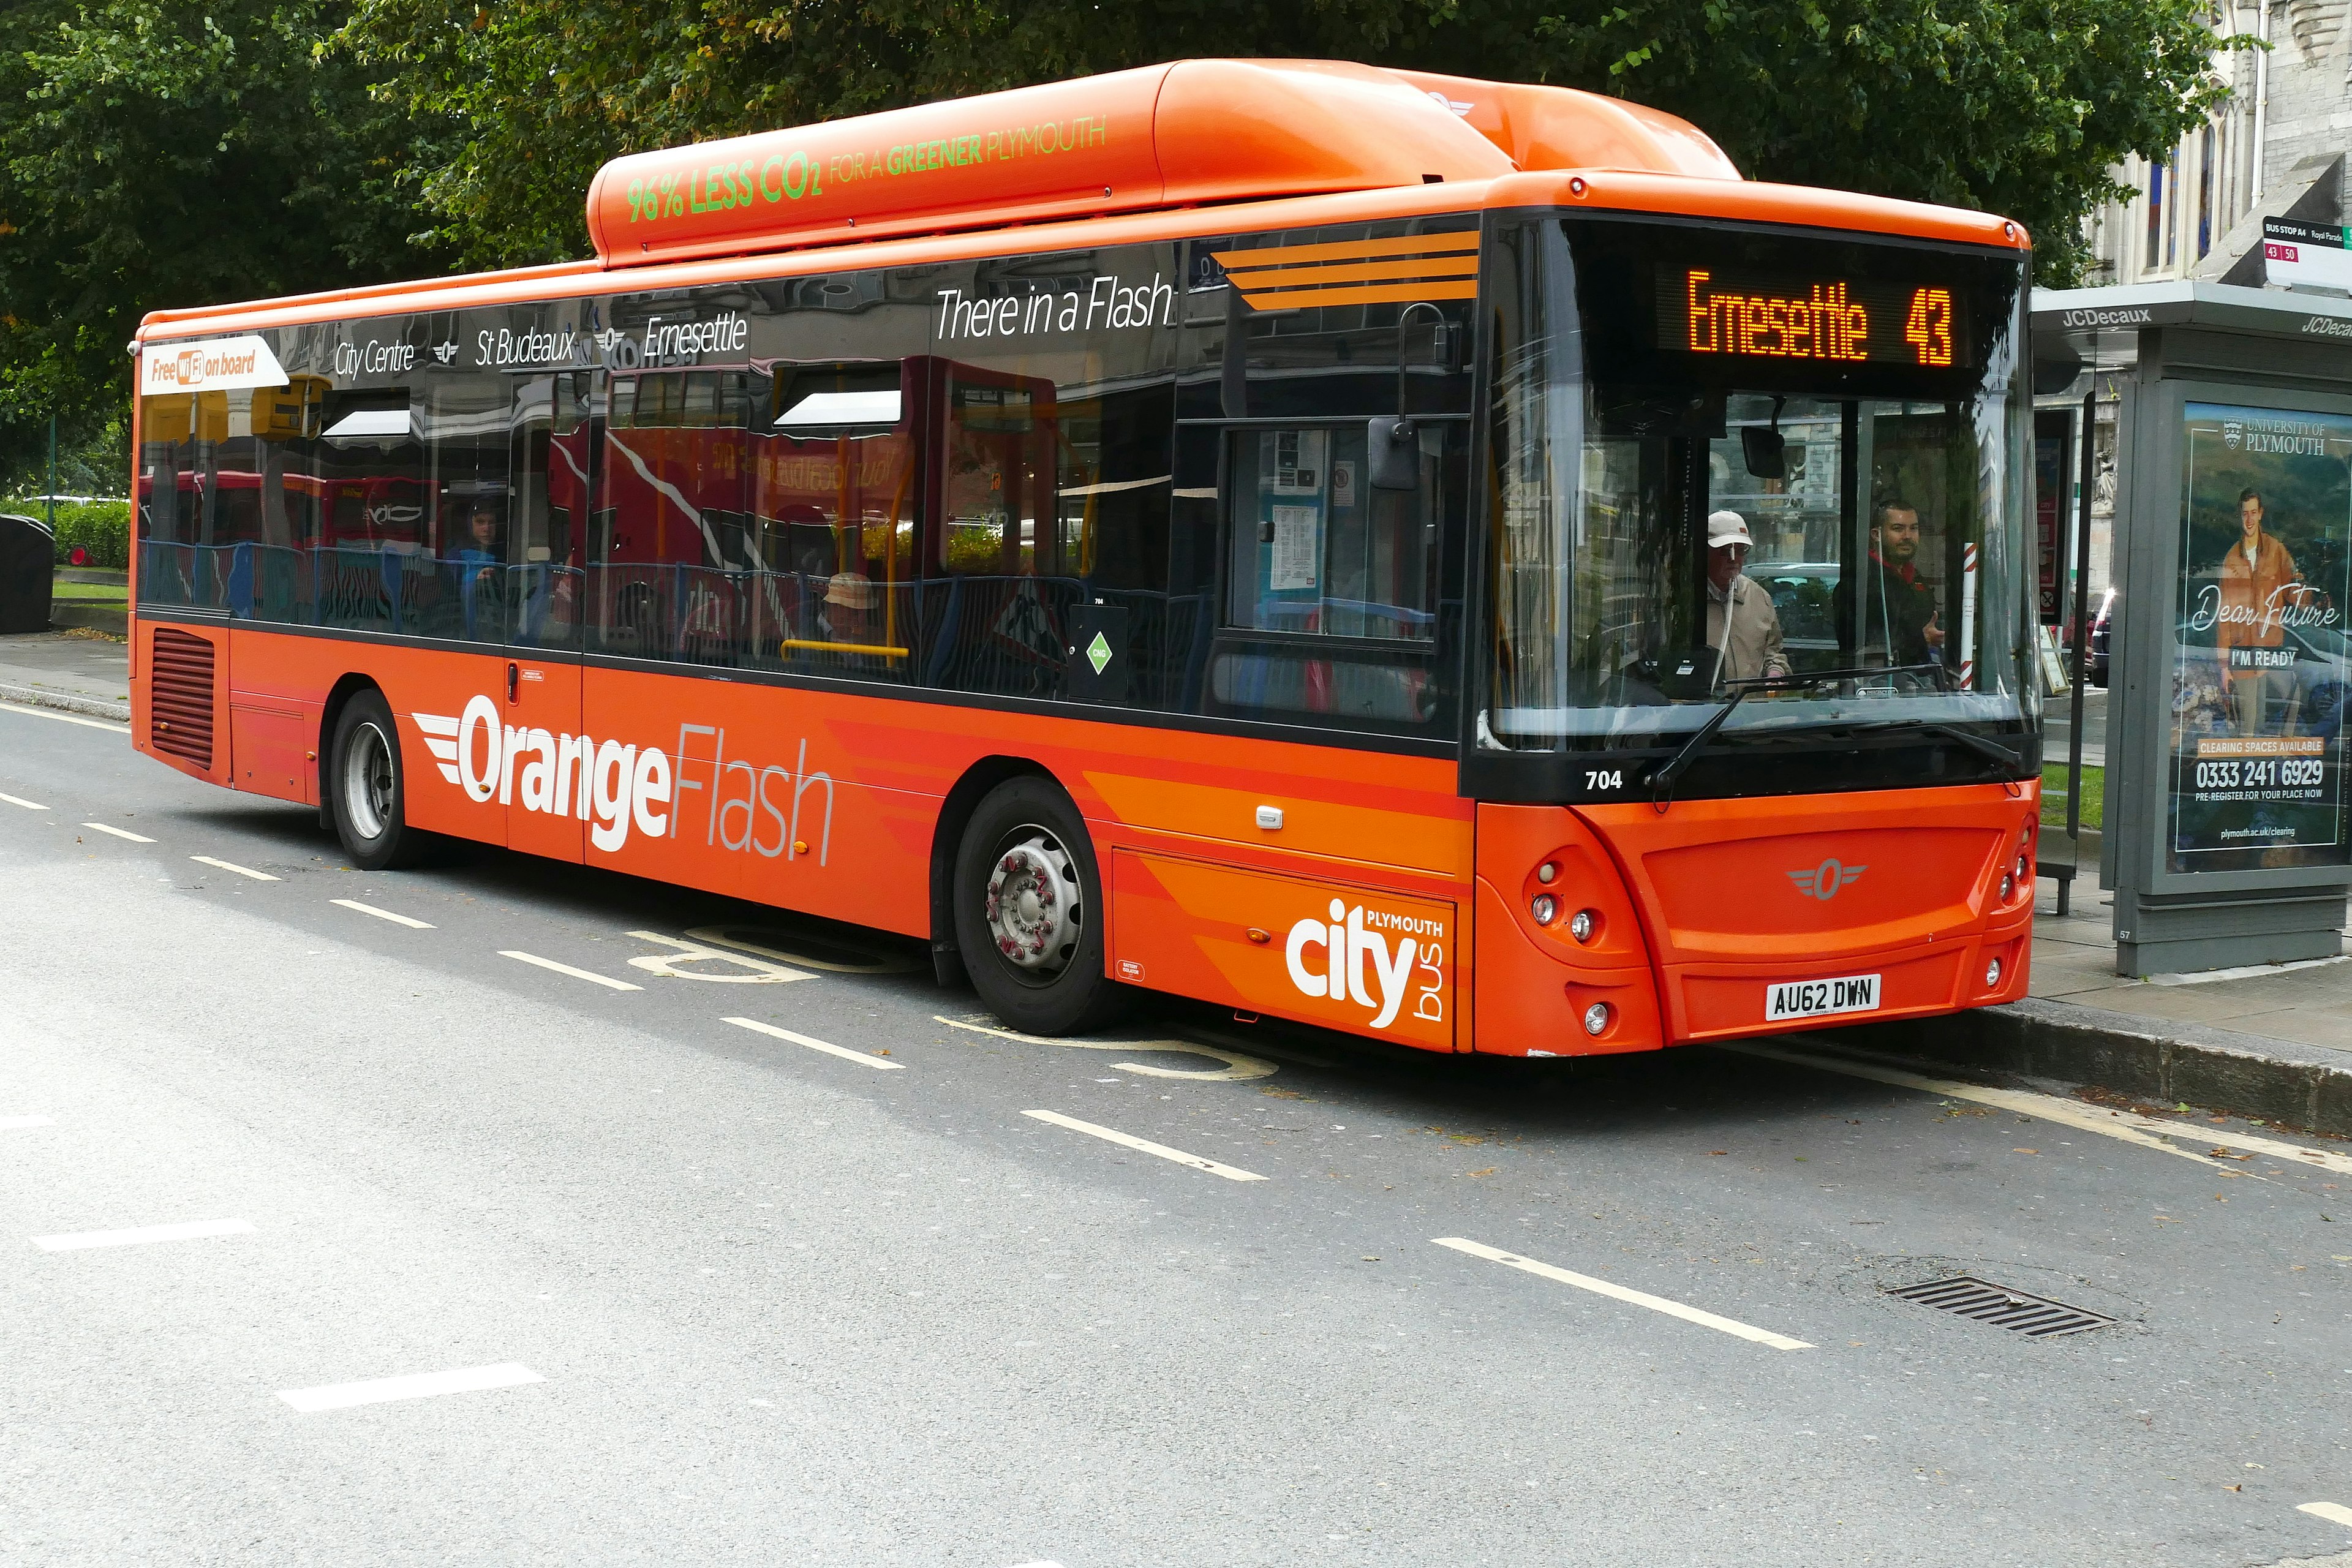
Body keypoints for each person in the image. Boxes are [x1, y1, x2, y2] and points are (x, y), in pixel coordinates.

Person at [2217, 486, 2299, 733]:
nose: (2250, 519)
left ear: (2261, 514)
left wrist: (2314, 597)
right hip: (2243, 655)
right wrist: (2224, 666)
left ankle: (2284, 753)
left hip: (2272, 651)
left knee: (2295, 697)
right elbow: (2224, 616)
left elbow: (2293, 590)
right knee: (2250, 725)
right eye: (2245, 514)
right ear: (2240, 516)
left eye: (2254, 512)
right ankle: (2246, 765)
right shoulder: (2232, 559)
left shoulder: (2277, 550)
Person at [1836, 497, 1943, 668]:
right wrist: (1922, 640)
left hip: (1920, 680)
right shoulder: (1861, 582)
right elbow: (1869, 648)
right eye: (1898, 529)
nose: (1908, 536)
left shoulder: (1915, 578)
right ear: (1876, 535)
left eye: (1913, 529)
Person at [1702, 510, 1789, 684]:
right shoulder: (1687, 600)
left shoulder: (1759, 597)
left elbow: (1773, 652)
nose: (1734, 559)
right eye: (1726, 551)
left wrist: (1775, 672)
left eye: (1741, 550)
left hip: (1749, 706)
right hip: (1704, 708)